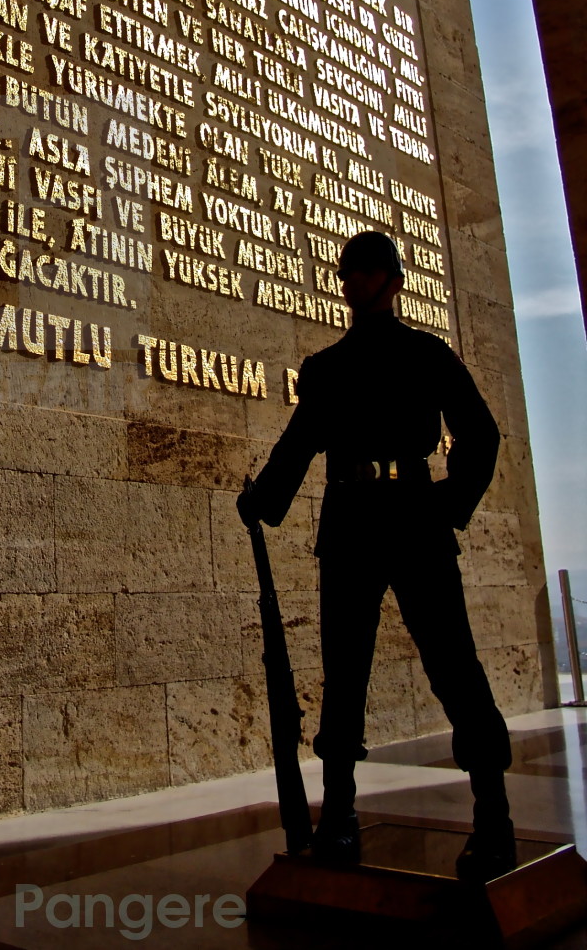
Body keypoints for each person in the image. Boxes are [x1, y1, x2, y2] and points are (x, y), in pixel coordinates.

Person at [237, 230, 515, 881]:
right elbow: (299, 442)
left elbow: (481, 432)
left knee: (455, 666)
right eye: (348, 272)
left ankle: (494, 816)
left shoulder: (428, 354)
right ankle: (339, 815)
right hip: (352, 519)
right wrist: (264, 498)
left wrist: (450, 502)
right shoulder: (327, 368)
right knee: (344, 673)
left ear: (392, 283)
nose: (354, 281)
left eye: (366, 272)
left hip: (415, 517)